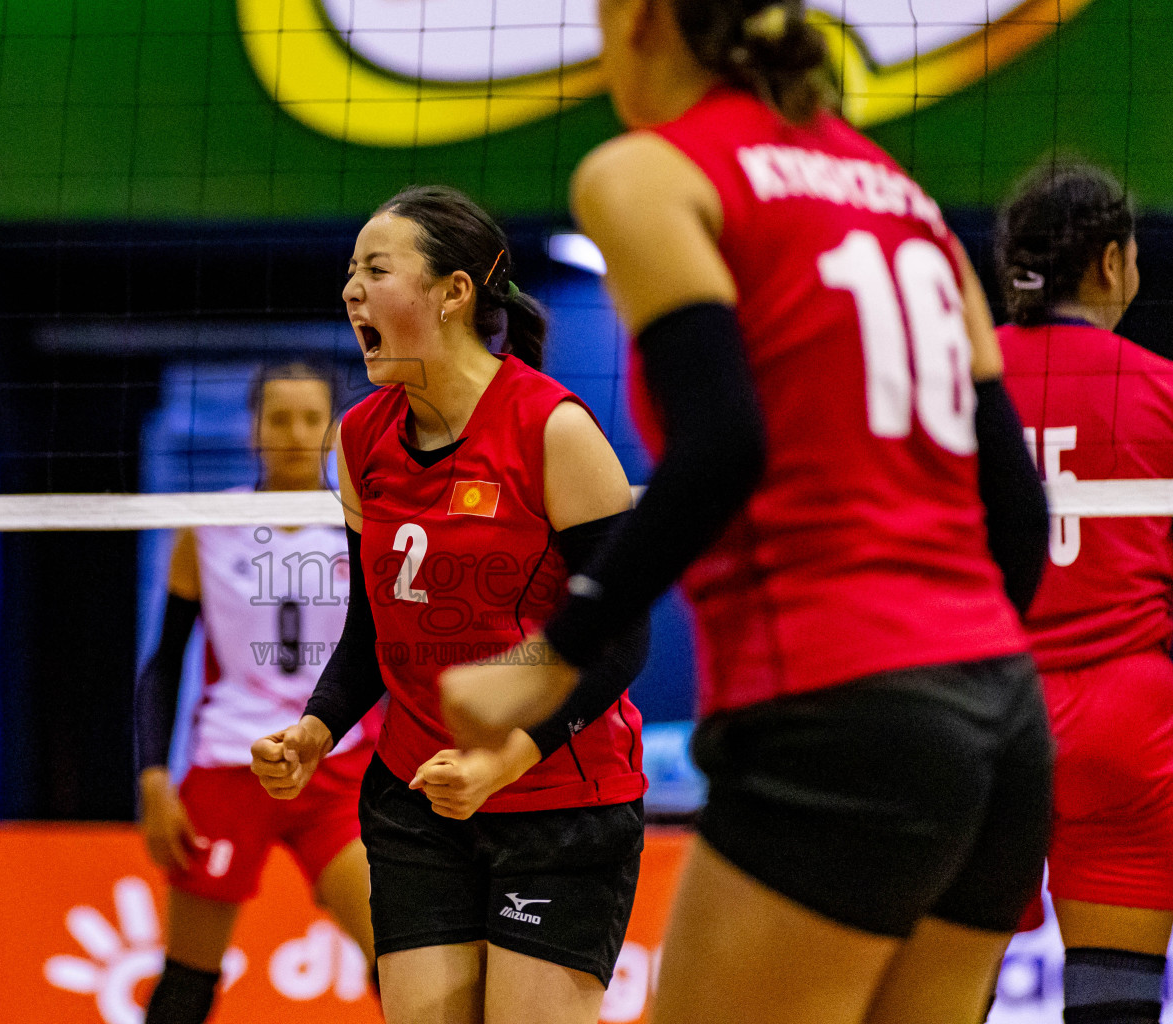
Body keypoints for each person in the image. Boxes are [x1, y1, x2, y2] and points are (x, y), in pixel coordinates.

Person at [436, 3, 1056, 1023]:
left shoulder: (646, 173)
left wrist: (549, 660)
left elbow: (723, 445)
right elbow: (1016, 515)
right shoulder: (908, 204)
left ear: (643, 19)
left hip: (837, 706)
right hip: (1003, 728)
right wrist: (957, 693)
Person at [252, 185, 651, 1024]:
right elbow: (374, 625)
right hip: (416, 793)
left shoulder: (552, 430)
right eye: (349, 272)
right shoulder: (360, 438)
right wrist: (317, 728)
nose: (351, 289)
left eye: (376, 268)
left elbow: (618, 639)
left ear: (453, 292)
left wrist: (508, 756)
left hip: (560, 800)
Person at [134, 361, 377, 1024]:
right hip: (228, 764)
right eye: (278, 417)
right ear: (253, 431)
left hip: (336, 766)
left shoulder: (365, 532)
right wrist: (155, 777)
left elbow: (389, 658)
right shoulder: (208, 529)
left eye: (311, 417)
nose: (295, 432)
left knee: (400, 961)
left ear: (332, 431)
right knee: (187, 981)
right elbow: (163, 665)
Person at [996, 163, 1172, 1024]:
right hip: (1127, 718)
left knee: (941, 993)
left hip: (984, 712)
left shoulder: (956, 382)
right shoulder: (1162, 389)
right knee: (1117, 1003)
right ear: (1111, 262)